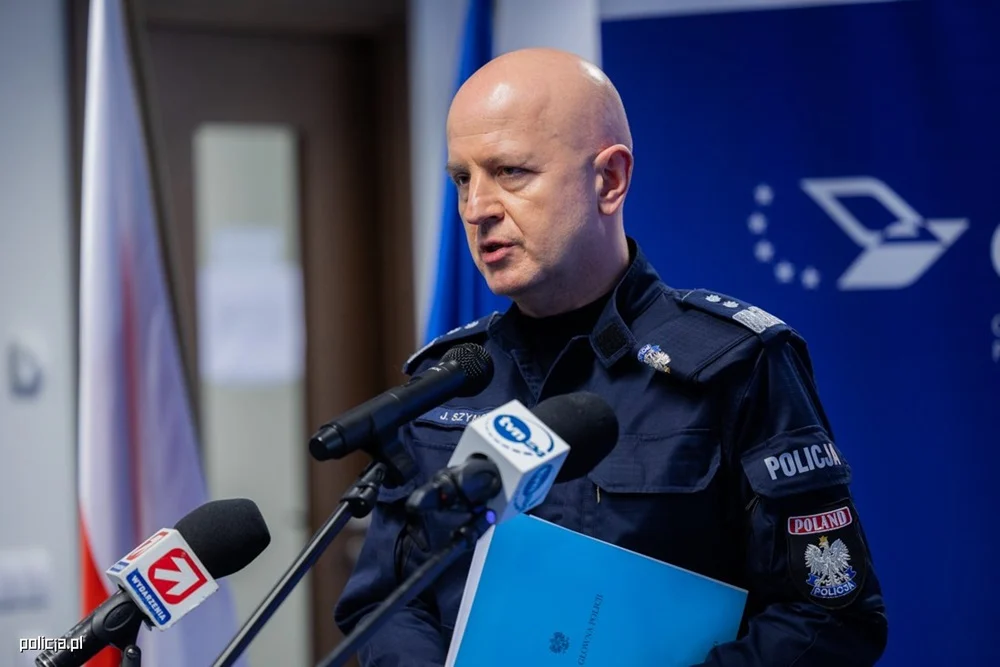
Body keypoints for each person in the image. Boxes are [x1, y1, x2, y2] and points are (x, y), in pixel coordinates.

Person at [335, 47, 888, 666]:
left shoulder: (737, 365)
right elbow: (384, 603)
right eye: (463, 178)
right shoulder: (446, 382)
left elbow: (831, 613)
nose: (476, 208)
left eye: (510, 171)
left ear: (609, 180)